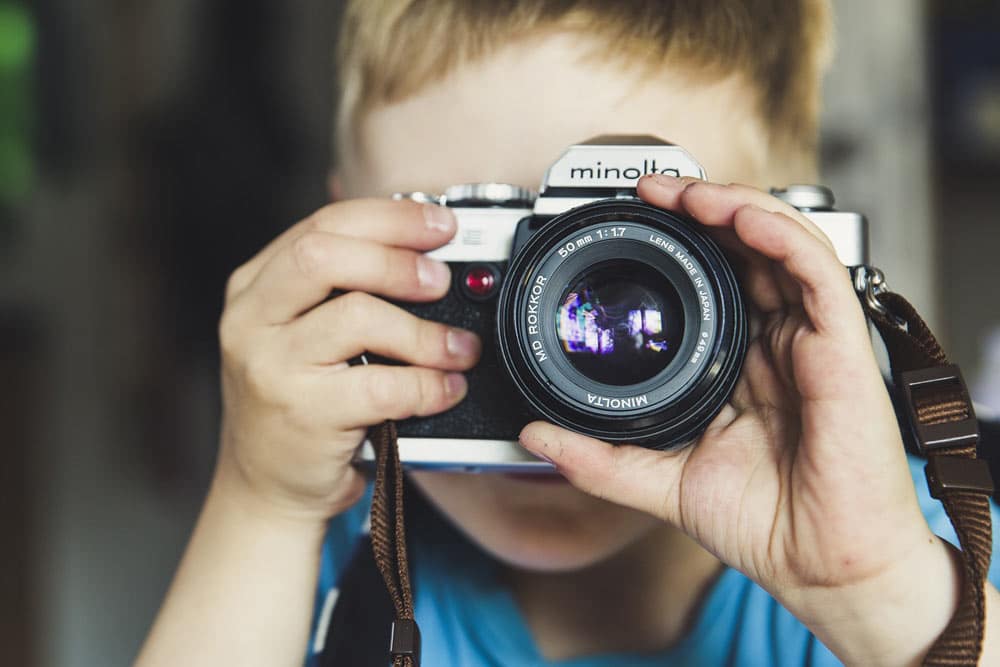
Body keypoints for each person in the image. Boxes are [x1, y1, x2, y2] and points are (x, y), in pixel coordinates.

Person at [135, 1, 1000, 665]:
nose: (551, 348)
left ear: (787, 246)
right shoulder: (330, 563)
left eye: (643, 250)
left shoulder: (907, 550)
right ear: (340, 234)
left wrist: (887, 604)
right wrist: (261, 503)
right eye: (478, 243)